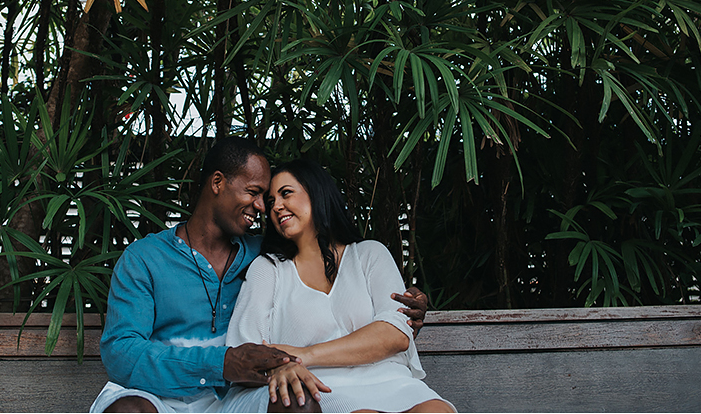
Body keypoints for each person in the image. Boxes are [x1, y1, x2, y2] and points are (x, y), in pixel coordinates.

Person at [90, 138, 429, 413]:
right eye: (254, 193)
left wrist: (408, 306)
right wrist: (220, 364)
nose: (264, 208)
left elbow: (329, 268)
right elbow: (122, 353)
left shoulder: (266, 257)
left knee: (296, 398)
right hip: (158, 396)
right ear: (218, 183)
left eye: (269, 197)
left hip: (233, 401)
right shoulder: (145, 259)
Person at [223, 159, 456, 413]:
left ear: (316, 192)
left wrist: (304, 354)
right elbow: (246, 350)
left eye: (286, 194)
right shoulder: (268, 269)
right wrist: (281, 365)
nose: (276, 207)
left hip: (392, 380)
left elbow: (396, 334)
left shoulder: (370, 254)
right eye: (270, 203)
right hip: (323, 387)